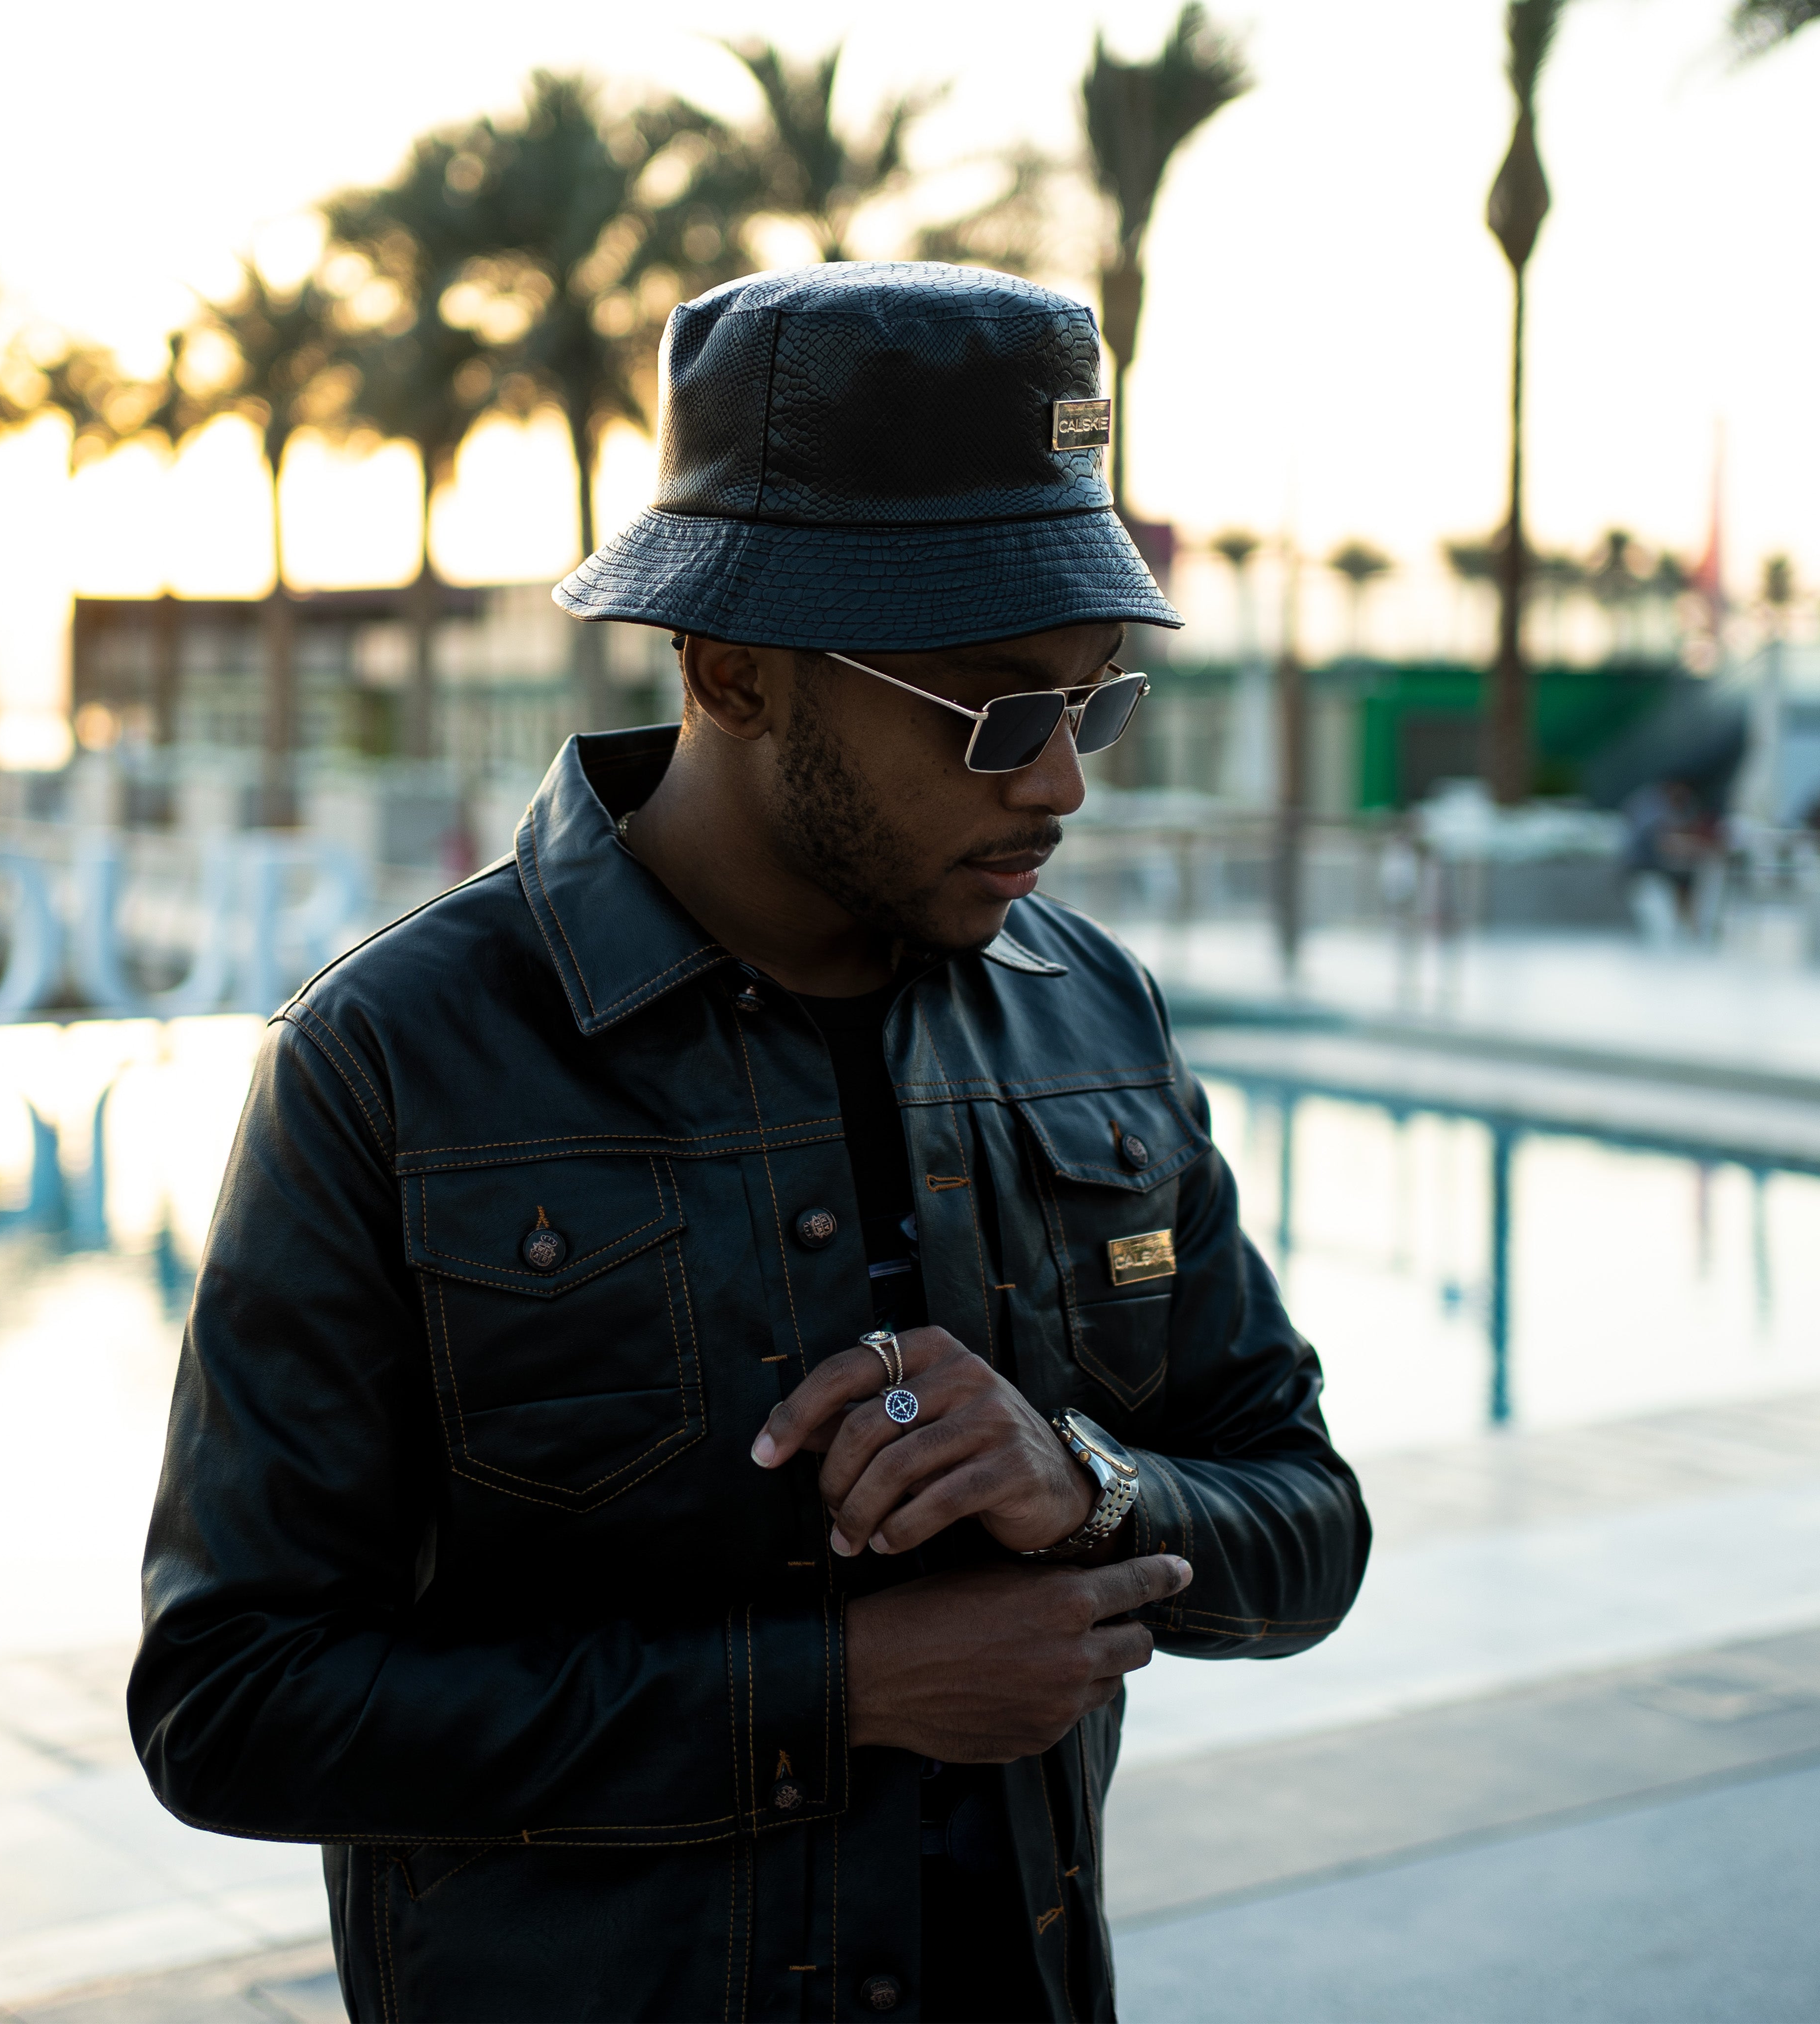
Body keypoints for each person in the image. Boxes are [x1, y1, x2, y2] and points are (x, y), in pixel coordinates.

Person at [129, 263, 1370, 2024]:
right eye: (1001, 716)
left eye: (1095, 707)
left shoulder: (1095, 1020)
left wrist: (1087, 1483)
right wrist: (837, 1687)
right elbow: (231, 1703)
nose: (1062, 788)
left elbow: (1308, 1519)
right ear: (734, 671)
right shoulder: (396, 1063)